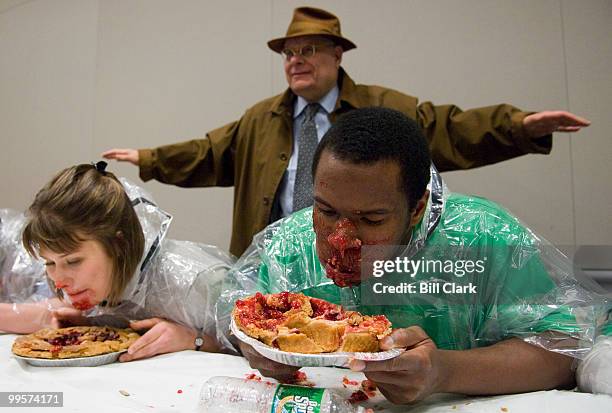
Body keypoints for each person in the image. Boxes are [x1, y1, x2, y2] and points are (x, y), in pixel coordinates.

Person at [101, 7, 590, 257]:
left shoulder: (382, 109)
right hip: (273, 261)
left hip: (357, 261)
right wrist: (149, 157)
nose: (297, 59)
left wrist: (519, 127)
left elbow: (453, 129)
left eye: (310, 49)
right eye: (290, 52)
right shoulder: (261, 119)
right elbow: (207, 154)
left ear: (338, 55)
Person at [216, 107, 605, 403]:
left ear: (416, 208)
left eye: (371, 219)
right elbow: (235, 319)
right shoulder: (290, 246)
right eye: (327, 210)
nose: (341, 239)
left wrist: (445, 372)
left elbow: (559, 352)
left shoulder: (483, 238)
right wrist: (254, 346)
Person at [10, 162, 234, 361]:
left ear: (118, 244)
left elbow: (259, 358)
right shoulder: (105, 279)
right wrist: (95, 325)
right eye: (49, 263)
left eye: (73, 261)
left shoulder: (197, 283)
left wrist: (195, 340)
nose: (58, 282)